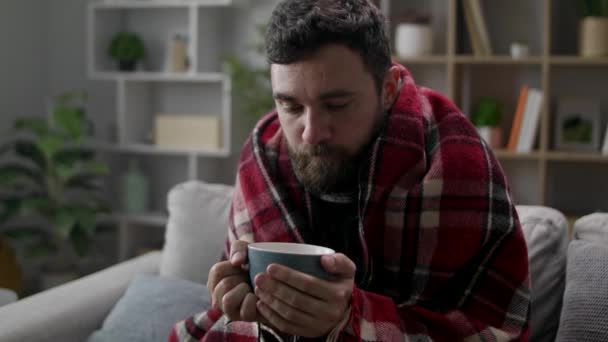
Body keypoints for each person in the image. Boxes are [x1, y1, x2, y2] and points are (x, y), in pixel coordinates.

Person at [170, 0, 530, 341]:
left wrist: (352, 319)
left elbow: (497, 329)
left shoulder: (457, 160)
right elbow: (238, 312)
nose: (311, 133)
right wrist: (239, 297)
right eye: (291, 106)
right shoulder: (263, 156)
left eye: (337, 104)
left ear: (387, 90)